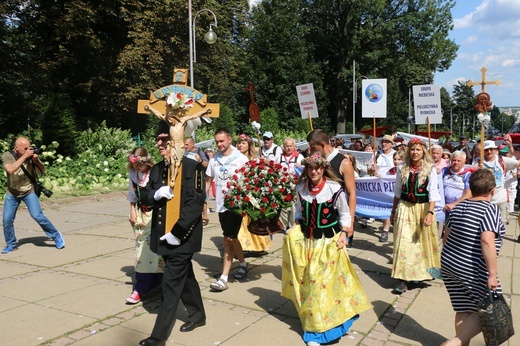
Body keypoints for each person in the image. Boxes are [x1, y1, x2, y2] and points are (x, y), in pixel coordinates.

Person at [281, 152, 371, 346]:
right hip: (307, 242)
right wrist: (295, 227)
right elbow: (298, 212)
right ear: (306, 169)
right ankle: (315, 324)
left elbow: (345, 214)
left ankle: (319, 332)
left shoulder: (333, 188)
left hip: (328, 242)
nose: (314, 171)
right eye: (311, 168)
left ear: (323, 169)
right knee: (309, 283)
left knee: (321, 284)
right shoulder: (301, 188)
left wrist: (345, 234)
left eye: (318, 168)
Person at [138, 122, 206, 346]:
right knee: (185, 277)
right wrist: (156, 194)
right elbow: (145, 196)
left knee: (170, 284)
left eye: (163, 139)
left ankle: (158, 337)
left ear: (176, 141)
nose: (159, 143)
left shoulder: (192, 167)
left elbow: (194, 206)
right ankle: (198, 315)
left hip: (183, 238)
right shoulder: (158, 168)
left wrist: (177, 233)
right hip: (163, 235)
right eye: (158, 139)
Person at [440, 168, 505, 346]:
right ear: (493, 190)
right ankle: (454, 343)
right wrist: (492, 274)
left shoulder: (458, 206)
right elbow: (487, 241)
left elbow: (446, 236)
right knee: (488, 308)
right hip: (473, 268)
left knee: (463, 308)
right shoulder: (489, 209)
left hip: (450, 263)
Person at [389, 137, 441, 294]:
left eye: (418, 149)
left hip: (422, 208)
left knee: (420, 244)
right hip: (405, 207)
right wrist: (393, 210)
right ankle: (402, 279)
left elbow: (433, 192)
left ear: (423, 151)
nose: (415, 152)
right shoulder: (402, 168)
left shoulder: (429, 168)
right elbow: (398, 190)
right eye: (412, 149)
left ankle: (419, 274)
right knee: (403, 243)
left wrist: (430, 212)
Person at [2, 136, 64, 254]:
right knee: (7, 220)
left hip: (29, 191)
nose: (28, 150)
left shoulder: (30, 157)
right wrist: (25, 156)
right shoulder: (7, 156)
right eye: (25, 148)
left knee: (38, 216)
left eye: (29, 148)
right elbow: (10, 169)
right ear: (16, 149)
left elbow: (42, 171)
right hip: (13, 192)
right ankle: (11, 244)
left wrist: (36, 161)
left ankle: (56, 236)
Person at [206, 128, 250, 291]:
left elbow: (249, 179)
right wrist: (202, 202)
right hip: (221, 204)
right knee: (232, 238)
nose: (219, 144)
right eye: (217, 141)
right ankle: (243, 264)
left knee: (227, 239)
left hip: (236, 204)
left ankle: (223, 278)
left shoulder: (240, 158)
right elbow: (208, 180)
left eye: (222, 141)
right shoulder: (214, 159)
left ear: (230, 140)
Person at [126, 147, 164, 304]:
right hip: (141, 216)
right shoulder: (133, 175)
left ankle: (159, 283)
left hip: (155, 215)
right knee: (141, 251)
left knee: (157, 252)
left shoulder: (154, 172)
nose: (136, 167)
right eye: (134, 165)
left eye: (139, 165)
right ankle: (141, 287)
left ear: (146, 161)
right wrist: (132, 212)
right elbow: (132, 195)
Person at [306, 129, 356, 249]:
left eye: (313, 148)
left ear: (322, 145)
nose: (310, 151)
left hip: (335, 218)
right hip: (315, 217)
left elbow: (352, 193)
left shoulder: (343, 163)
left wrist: (350, 222)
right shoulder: (314, 161)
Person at [235, 133, 272, 255]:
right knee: (241, 221)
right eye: (239, 142)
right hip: (240, 193)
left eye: (243, 143)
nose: (240, 145)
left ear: (249, 145)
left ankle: (259, 246)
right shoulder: (234, 159)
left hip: (253, 194)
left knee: (254, 219)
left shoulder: (255, 160)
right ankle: (243, 247)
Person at [474, 140, 520, 225]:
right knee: (485, 225)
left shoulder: (502, 160)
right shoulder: (478, 162)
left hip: (501, 200)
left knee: (501, 225)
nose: (489, 151)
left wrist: (510, 147)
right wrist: (478, 171)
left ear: (495, 149)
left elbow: (518, 163)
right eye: (487, 149)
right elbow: (473, 180)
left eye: (491, 149)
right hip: (485, 201)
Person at [380, 151, 404, 243]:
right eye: (395, 159)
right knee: (388, 212)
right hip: (391, 197)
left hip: (402, 198)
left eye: (399, 159)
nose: (396, 161)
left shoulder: (406, 170)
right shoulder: (390, 171)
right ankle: (385, 230)